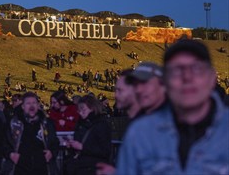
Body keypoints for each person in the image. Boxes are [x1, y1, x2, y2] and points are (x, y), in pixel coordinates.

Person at [116, 39, 229, 174]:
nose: (187, 77)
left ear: (212, 78)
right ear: (166, 82)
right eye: (176, 71)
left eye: (196, 69)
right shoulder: (140, 133)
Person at [7, 92, 59, 175]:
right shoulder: (14, 123)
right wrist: (10, 154)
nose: (31, 106)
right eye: (28, 103)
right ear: (23, 106)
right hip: (19, 168)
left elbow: (55, 142)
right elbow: (4, 143)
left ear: (38, 105)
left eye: (34, 103)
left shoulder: (46, 123)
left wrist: (51, 152)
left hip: (42, 168)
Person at [65, 95, 112, 175]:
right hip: (79, 167)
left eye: (83, 109)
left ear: (92, 108)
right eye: (79, 110)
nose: (80, 112)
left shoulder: (101, 124)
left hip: (94, 168)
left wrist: (82, 147)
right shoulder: (80, 124)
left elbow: (105, 150)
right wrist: (72, 145)